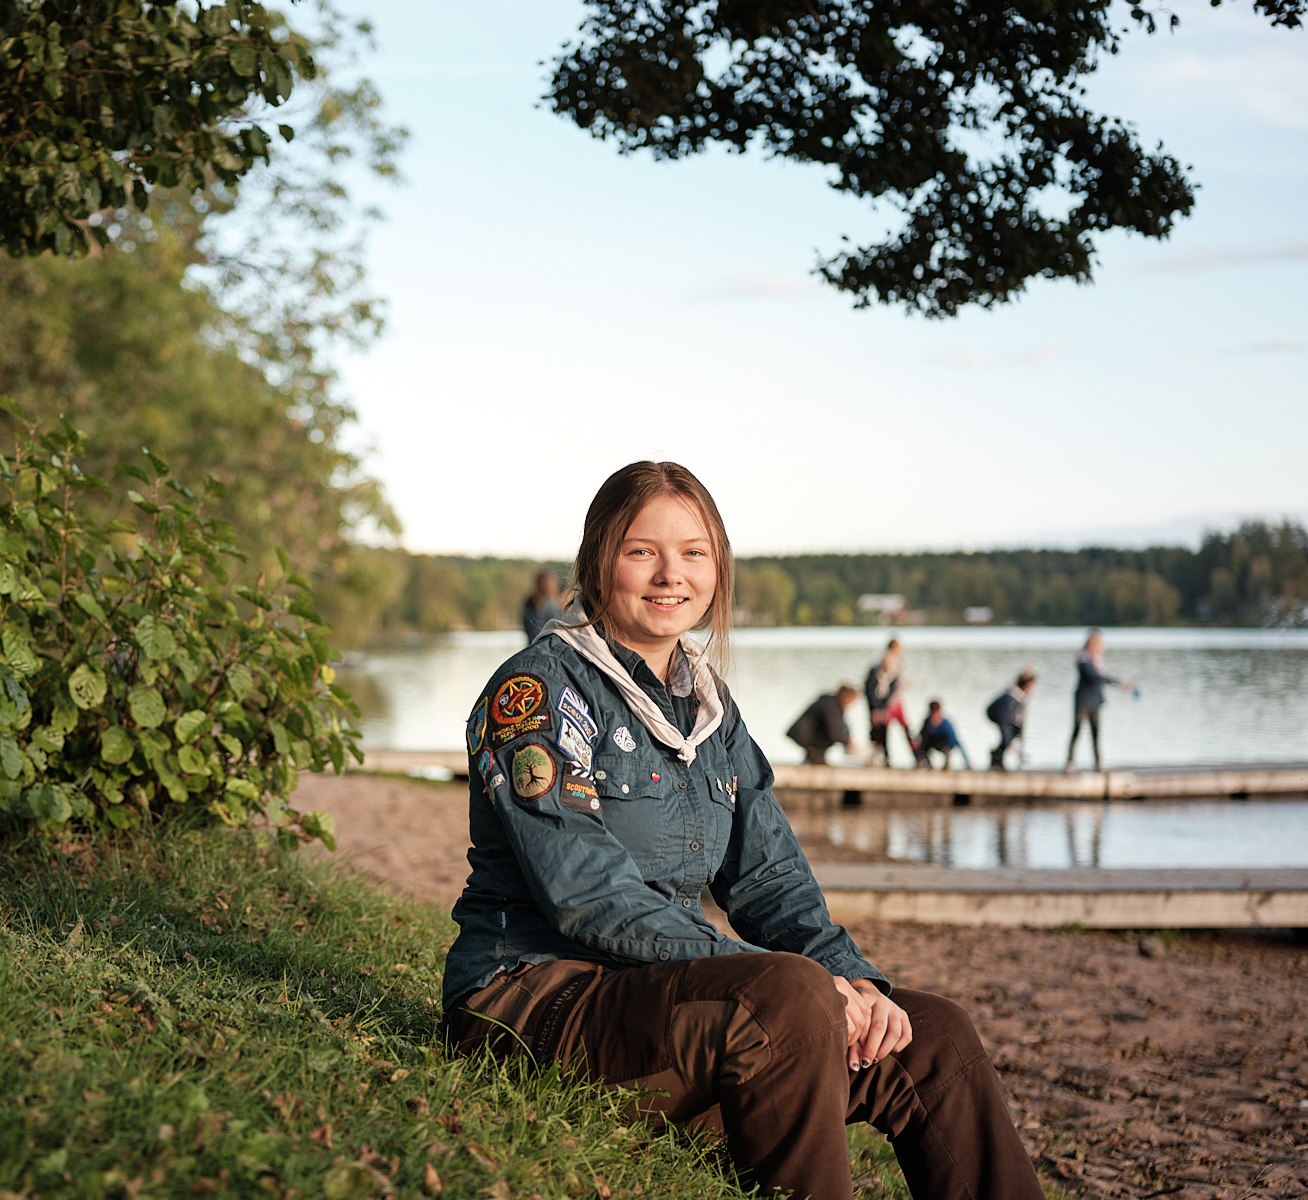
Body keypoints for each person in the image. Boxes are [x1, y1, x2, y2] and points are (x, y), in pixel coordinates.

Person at [443, 461, 1043, 1200]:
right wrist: (797, 982)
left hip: (664, 1003)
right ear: (599, 562)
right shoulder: (537, 690)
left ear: (718, 567)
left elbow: (769, 877)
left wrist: (852, 979)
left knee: (935, 1036)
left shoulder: (709, 708)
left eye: (693, 552)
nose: (671, 576)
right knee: (788, 994)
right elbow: (585, 893)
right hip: (531, 999)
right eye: (642, 552)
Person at [1065, 628, 1133, 772]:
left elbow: (1101, 678)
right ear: (1090, 644)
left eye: (1099, 643)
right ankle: (1070, 763)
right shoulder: (1082, 660)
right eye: (1096, 643)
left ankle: (1098, 763)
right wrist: (1119, 682)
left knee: (1096, 733)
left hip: (1095, 701)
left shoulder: (1098, 661)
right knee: (1076, 731)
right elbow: (1095, 677)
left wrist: (1120, 685)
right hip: (1082, 701)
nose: (1099, 646)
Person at [862, 640, 912, 767]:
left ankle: (917, 755)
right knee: (879, 729)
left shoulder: (898, 665)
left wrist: (884, 707)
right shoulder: (876, 669)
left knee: (905, 728)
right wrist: (876, 708)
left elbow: (892, 689)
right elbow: (870, 690)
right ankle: (879, 757)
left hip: (892, 704)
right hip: (881, 705)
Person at [787, 685, 860, 765]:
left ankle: (813, 759)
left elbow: (841, 726)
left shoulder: (833, 705)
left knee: (815, 757)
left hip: (810, 738)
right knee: (816, 756)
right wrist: (847, 741)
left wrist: (846, 737)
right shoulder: (831, 706)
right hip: (805, 736)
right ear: (846, 697)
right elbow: (834, 731)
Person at [985, 670, 1036, 771]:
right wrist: (1010, 743)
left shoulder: (1021, 695)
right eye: (1032, 686)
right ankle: (996, 757)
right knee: (1007, 735)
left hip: (1007, 715)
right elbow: (1003, 722)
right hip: (996, 714)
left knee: (1014, 731)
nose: (1033, 689)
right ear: (1027, 685)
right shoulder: (1009, 699)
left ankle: (997, 755)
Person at [913, 700, 970, 770]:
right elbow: (921, 738)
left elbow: (957, 742)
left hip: (945, 745)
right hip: (932, 743)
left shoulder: (946, 725)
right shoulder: (927, 723)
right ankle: (927, 764)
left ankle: (947, 765)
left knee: (947, 749)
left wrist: (967, 762)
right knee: (923, 743)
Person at [521, 570, 564, 642]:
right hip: (546, 646)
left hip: (533, 645)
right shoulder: (549, 604)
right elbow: (557, 627)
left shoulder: (529, 602)